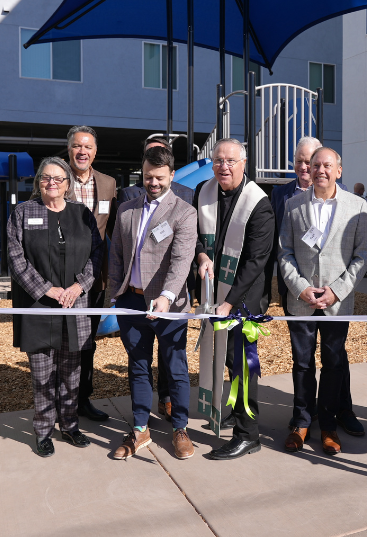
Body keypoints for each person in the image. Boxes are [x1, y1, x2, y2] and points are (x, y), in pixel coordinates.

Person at [7, 157, 103, 457]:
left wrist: (78, 287)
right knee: (41, 373)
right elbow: (16, 259)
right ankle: (44, 430)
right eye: (46, 177)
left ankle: (70, 426)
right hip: (38, 306)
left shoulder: (82, 214)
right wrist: (47, 289)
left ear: (67, 184)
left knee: (71, 372)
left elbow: (97, 254)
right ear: (39, 181)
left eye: (58, 179)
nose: (52, 183)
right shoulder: (23, 213)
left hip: (74, 305)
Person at [279, 147, 367, 455]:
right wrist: (301, 288)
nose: (320, 170)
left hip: (336, 303)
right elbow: (285, 253)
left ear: (339, 170)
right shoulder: (292, 205)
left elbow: (362, 256)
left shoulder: (357, 206)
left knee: (333, 364)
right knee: (302, 364)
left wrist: (338, 290)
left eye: (327, 165)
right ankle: (302, 422)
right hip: (302, 302)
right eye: (315, 164)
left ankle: (329, 425)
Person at [109, 146, 198, 460]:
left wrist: (166, 297)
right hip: (131, 302)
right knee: (139, 366)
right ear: (142, 174)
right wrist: (115, 295)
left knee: (175, 368)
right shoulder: (126, 210)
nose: (153, 183)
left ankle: (180, 428)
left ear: (172, 175)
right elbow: (117, 257)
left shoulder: (184, 212)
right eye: (148, 177)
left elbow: (181, 262)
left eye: (160, 178)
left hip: (169, 306)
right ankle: (141, 427)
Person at [195, 138, 275, 460]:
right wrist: (202, 256)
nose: (223, 167)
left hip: (243, 300)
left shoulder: (259, 203)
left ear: (244, 164)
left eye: (230, 161)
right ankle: (236, 412)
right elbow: (199, 237)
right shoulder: (204, 191)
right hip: (215, 293)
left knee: (243, 366)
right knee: (226, 360)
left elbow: (257, 262)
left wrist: (228, 304)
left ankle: (248, 434)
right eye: (217, 160)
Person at [66, 125, 117, 423]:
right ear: (69, 149)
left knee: (88, 342)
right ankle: (63, 401)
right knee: (63, 342)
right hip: (62, 280)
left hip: (96, 279)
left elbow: (114, 233)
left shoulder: (109, 184)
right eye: (77, 146)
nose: (82, 151)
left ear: (95, 151)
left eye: (88, 147)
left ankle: (83, 398)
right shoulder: (56, 179)